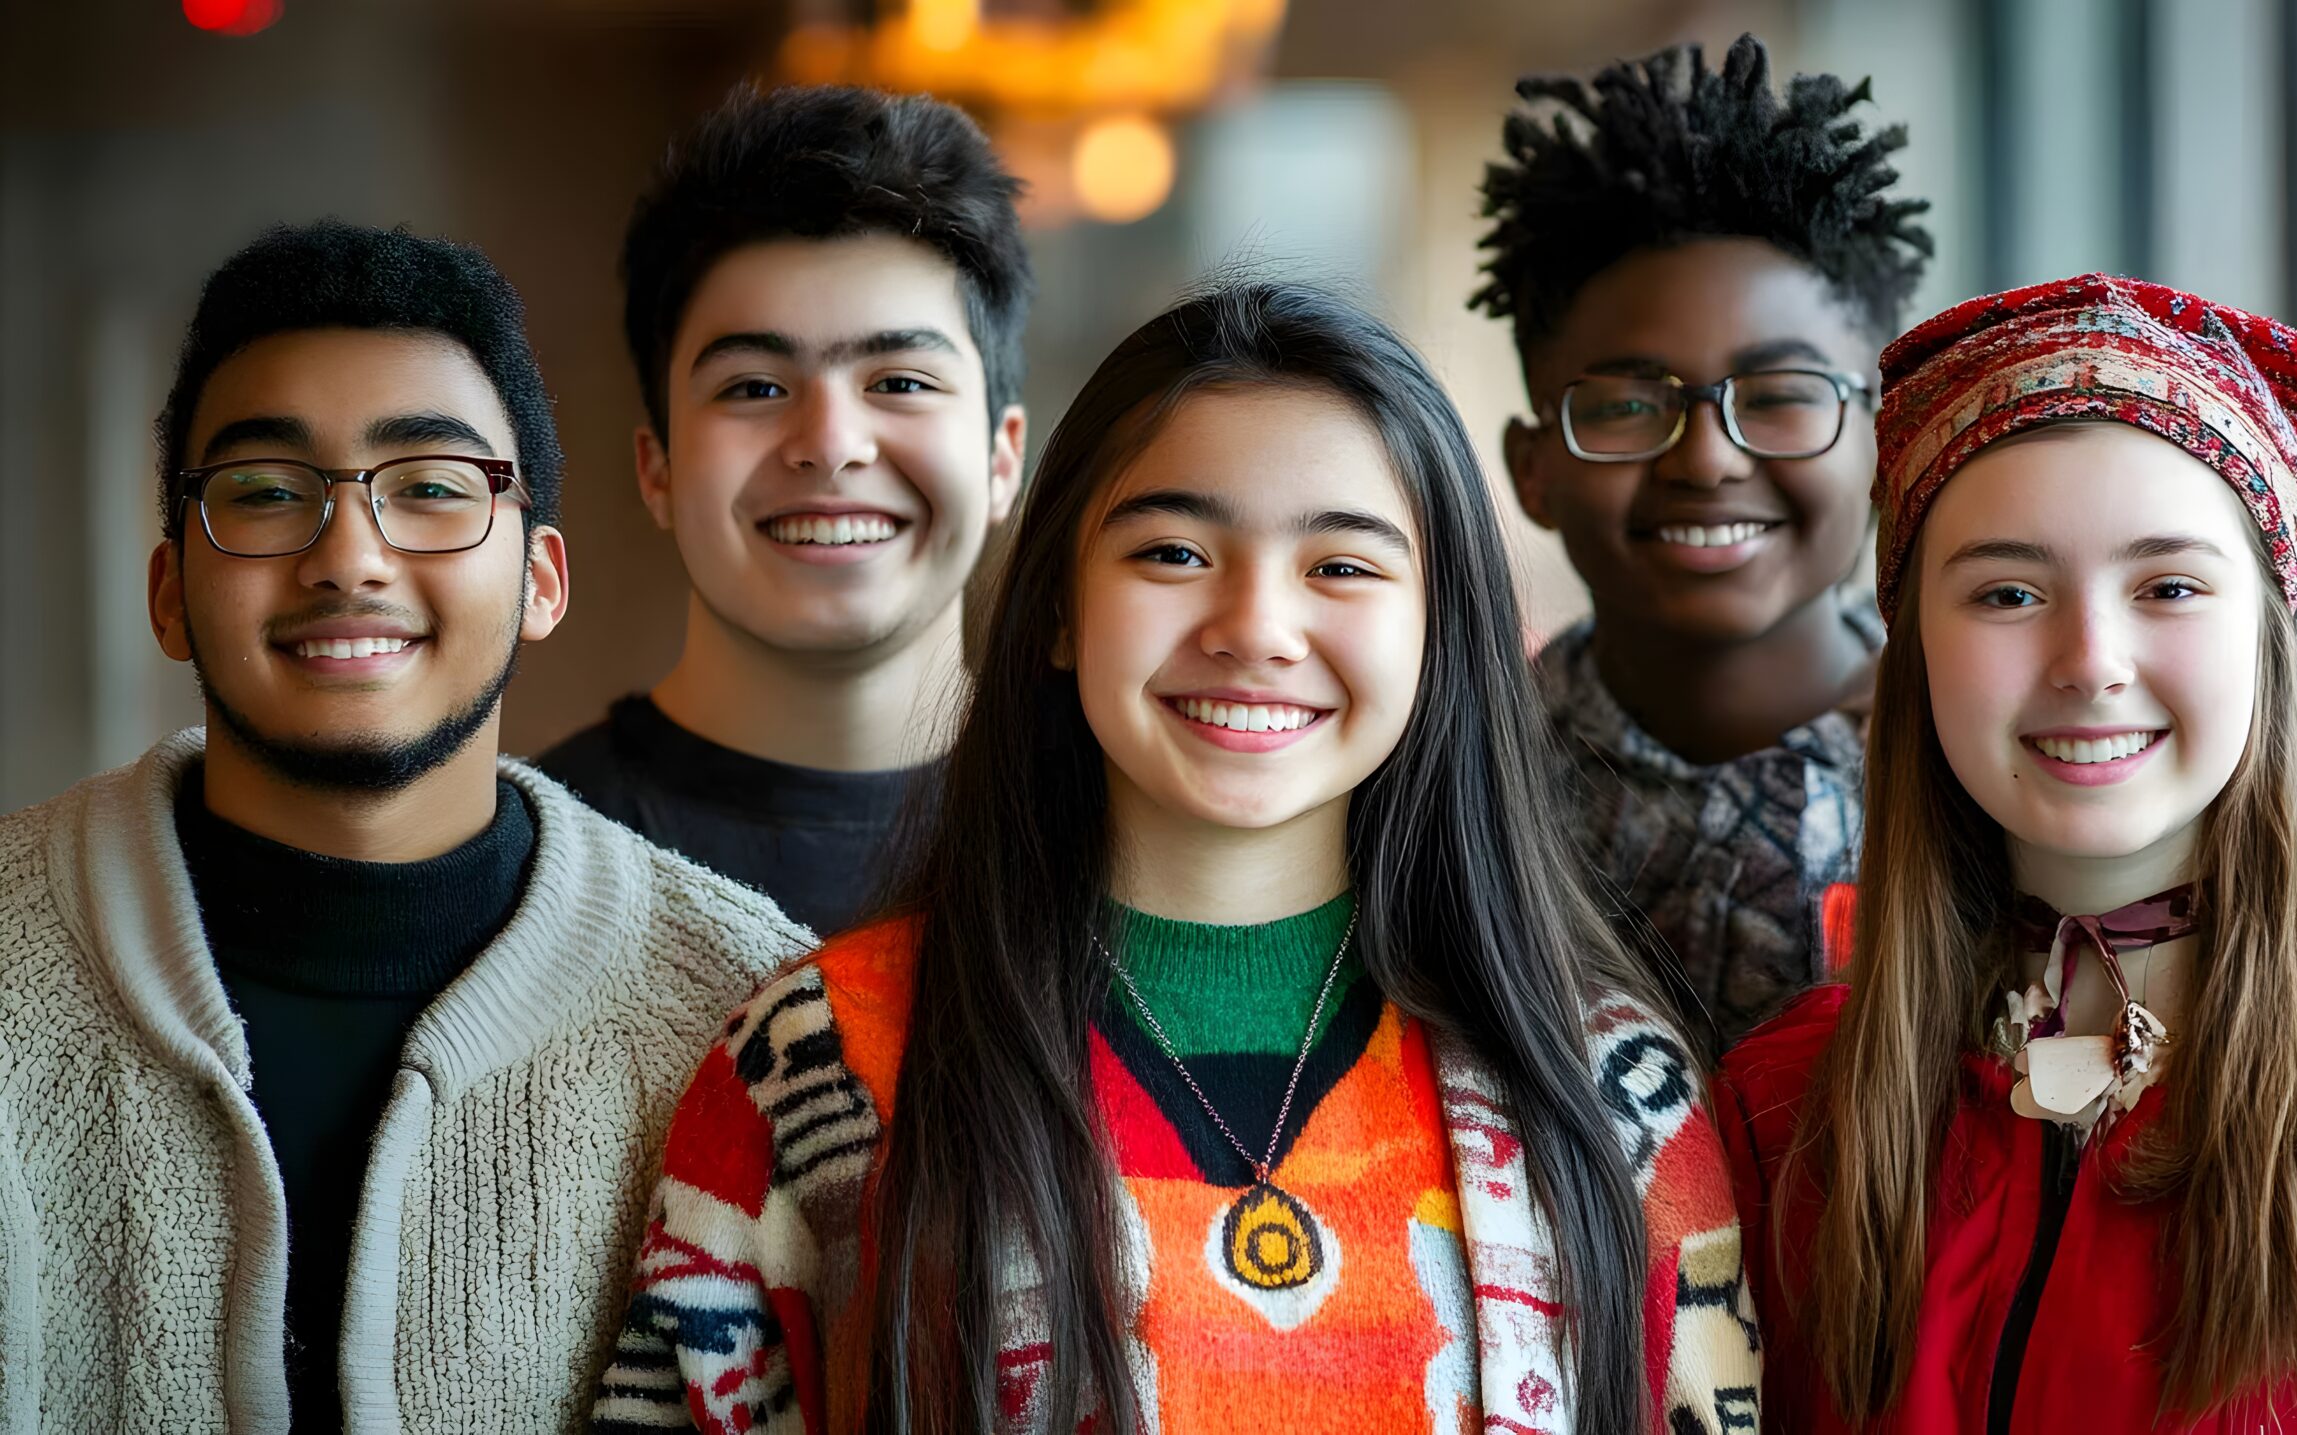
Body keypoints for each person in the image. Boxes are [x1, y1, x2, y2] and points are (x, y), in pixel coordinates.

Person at [589, 281, 1762, 1435]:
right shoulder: (817, 1065)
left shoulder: (1608, 1089)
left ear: (1441, 631)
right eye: (1172, 554)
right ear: (1056, 608)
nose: (1254, 626)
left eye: (1341, 566)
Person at [0, 220, 812, 1432]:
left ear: (539, 579)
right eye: (266, 493)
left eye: (430, 488)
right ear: (170, 589)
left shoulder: (751, 1018)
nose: (349, 556)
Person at [1714, 274, 2297, 1432]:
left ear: (2265, 634)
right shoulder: (1783, 1110)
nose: (2090, 658)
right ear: (1913, 651)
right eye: (2007, 593)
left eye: (2167, 585)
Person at [1471, 35, 1936, 1054]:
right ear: (1531, 468)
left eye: (1780, 397)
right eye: (1629, 404)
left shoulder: (1978, 763)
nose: (1707, 458)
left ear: (1888, 443)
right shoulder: (1460, 777)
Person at [538, 84, 1030, 936]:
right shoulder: (527, 870)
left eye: (902, 383)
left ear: (1001, 457)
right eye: (756, 387)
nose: (830, 444)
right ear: (656, 469)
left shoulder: (1126, 841)